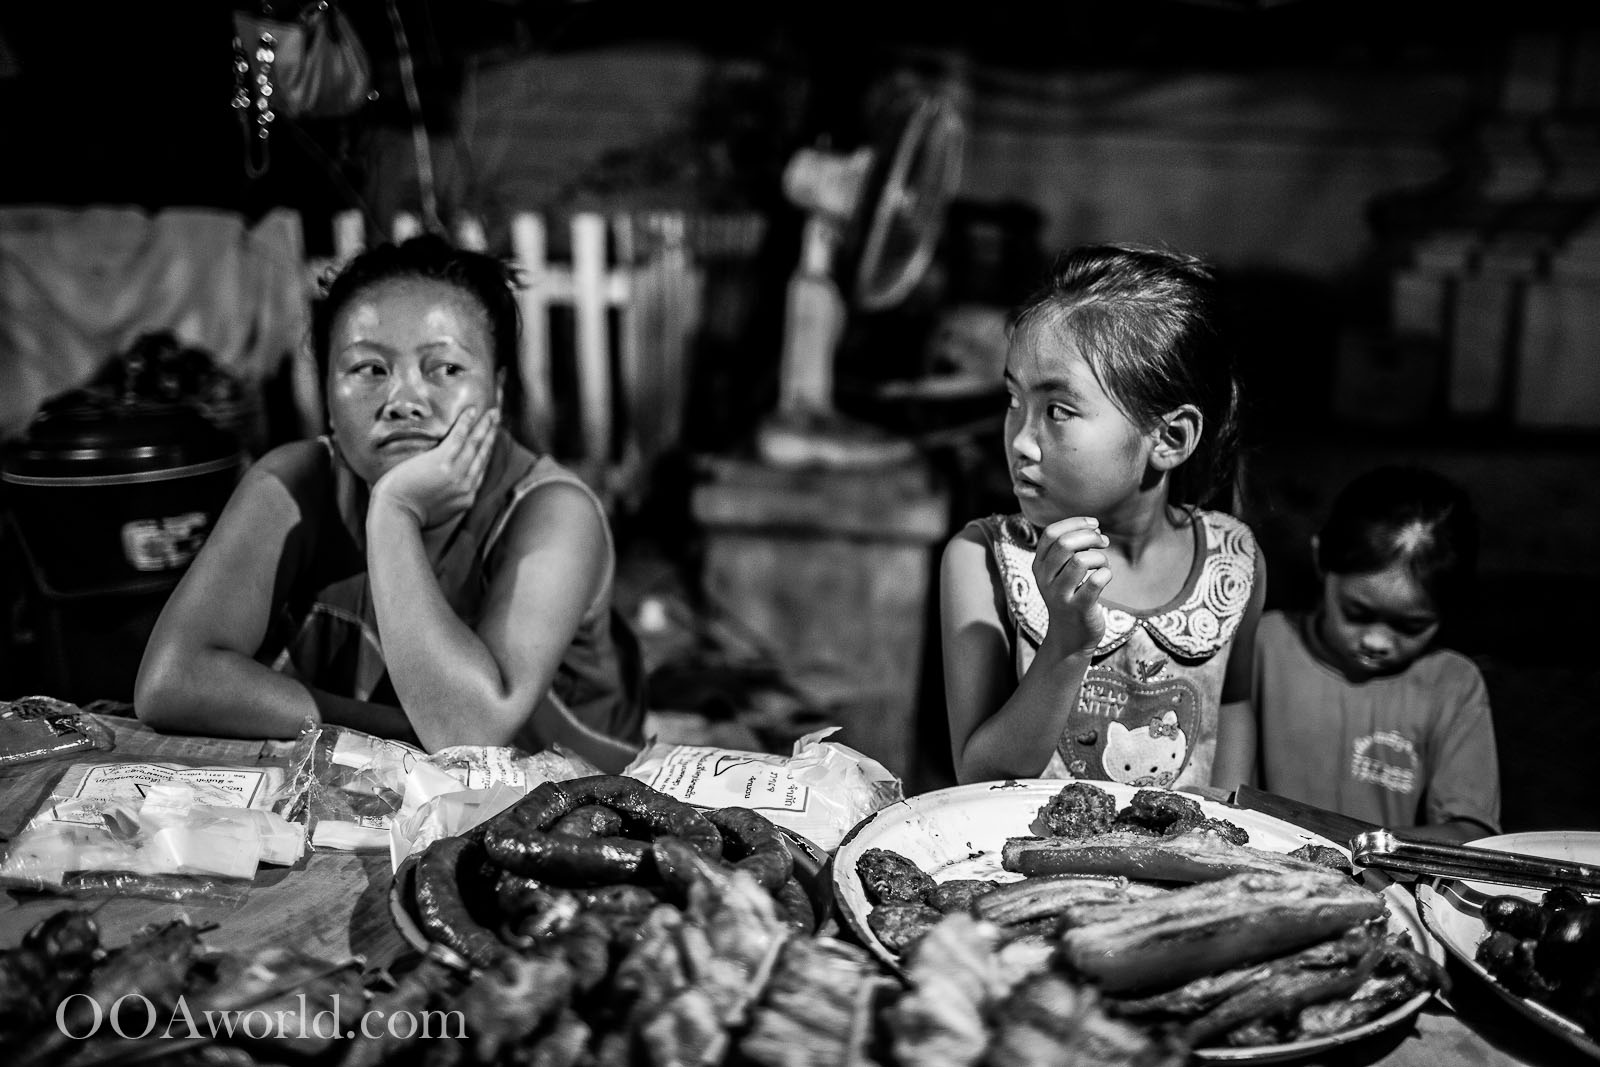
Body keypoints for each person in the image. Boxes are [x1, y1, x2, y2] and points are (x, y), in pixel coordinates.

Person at [135, 234, 645, 772]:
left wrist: (393, 511)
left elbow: (466, 731)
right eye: (370, 369)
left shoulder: (553, 513)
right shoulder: (294, 483)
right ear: (328, 392)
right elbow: (171, 681)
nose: (404, 401)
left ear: (496, 389)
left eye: (445, 368)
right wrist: (400, 733)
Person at [940, 243, 1266, 791]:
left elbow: (1232, 709)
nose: (1020, 441)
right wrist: (1067, 641)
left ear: (1170, 437)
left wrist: (1227, 826)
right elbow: (980, 772)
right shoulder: (984, 561)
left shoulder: (1232, 563)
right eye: (1013, 399)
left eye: (1058, 411)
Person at [1255, 465, 1501, 843]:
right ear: (1322, 561)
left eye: (1410, 627)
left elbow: (1469, 833)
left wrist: (1357, 848)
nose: (1377, 642)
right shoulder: (1265, 645)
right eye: (1357, 614)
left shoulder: (1452, 684)